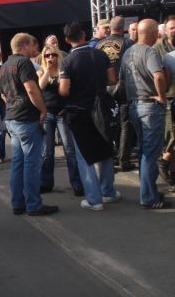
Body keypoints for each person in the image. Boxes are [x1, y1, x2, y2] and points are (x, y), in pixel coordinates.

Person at [59, 21, 120, 211]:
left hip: (79, 111)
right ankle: (108, 191)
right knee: (105, 150)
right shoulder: (100, 54)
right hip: (101, 108)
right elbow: (112, 79)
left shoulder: (68, 61)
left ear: (67, 39)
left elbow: (64, 90)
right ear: (84, 34)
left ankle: (94, 199)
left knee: (84, 155)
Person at [0, 33, 58, 216]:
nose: (36, 49)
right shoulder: (23, 63)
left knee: (18, 163)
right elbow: (32, 89)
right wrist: (43, 109)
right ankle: (33, 204)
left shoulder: (5, 65)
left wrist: (13, 106)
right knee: (31, 164)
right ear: (25, 45)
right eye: (34, 45)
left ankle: (18, 203)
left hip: (12, 118)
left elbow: (3, 94)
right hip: (26, 119)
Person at [119, 19, 171, 209]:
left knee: (143, 151)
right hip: (149, 105)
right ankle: (149, 197)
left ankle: (148, 193)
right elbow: (158, 75)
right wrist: (162, 97)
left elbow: (122, 81)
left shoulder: (127, 52)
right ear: (153, 33)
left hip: (134, 105)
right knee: (150, 153)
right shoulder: (150, 51)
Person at [37, 45, 83, 196]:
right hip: (48, 114)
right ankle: (46, 183)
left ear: (58, 56)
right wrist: (48, 70)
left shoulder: (63, 70)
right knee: (47, 151)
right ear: (43, 57)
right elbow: (41, 86)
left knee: (69, 150)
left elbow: (69, 90)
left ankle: (76, 183)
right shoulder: (41, 71)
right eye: (47, 55)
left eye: (53, 55)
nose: (50, 58)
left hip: (62, 113)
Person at [96, 15, 135, 171]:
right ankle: (124, 160)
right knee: (125, 123)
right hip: (122, 85)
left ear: (110, 27)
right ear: (123, 28)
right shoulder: (127, 43)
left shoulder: (99, 45)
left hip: (105, 87)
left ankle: (110, 158)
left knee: (108, 122)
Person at [153, 16, 175, 188]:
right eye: (172, 27)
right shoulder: (158, 49)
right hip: (168, 97)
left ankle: (171, 170)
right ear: (165, 31)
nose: (174, 30)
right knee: (171, 134)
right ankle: (165, 159)